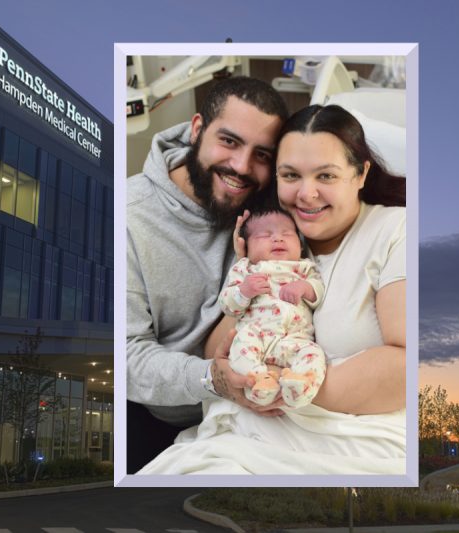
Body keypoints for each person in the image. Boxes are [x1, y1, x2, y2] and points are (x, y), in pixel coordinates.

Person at [138, 104, 407, 475]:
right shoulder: (282, 238)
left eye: (326, 176)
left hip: (343, 438)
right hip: (246, 430)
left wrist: (281, 389)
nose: (306, 194)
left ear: (361, 174)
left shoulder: (395, 231)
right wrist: (247, 266)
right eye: (291, 175)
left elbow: (407, 363)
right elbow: (217, 352)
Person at [126, 76, 288, 473]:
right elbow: (127, 352)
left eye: (261, 155)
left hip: (254, 413)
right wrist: (212, 379)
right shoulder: (129, 218)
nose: (241, 167)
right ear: (197, 129)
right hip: (162, 417)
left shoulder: (268, 204)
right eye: (229, 141)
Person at [219, 206, 325, 408]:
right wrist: (244, 291)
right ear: (246, 248)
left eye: (287, 233)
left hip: (295, 339)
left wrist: (305, 287)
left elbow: (318, 292)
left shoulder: (304, 268)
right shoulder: (245, 268)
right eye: (264, 235)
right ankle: (259, 381)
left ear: (300, 245)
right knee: (240, 346)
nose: (278, 238)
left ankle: (301, 384)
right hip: (257, 334)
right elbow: (227, 304)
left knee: (313, 353)